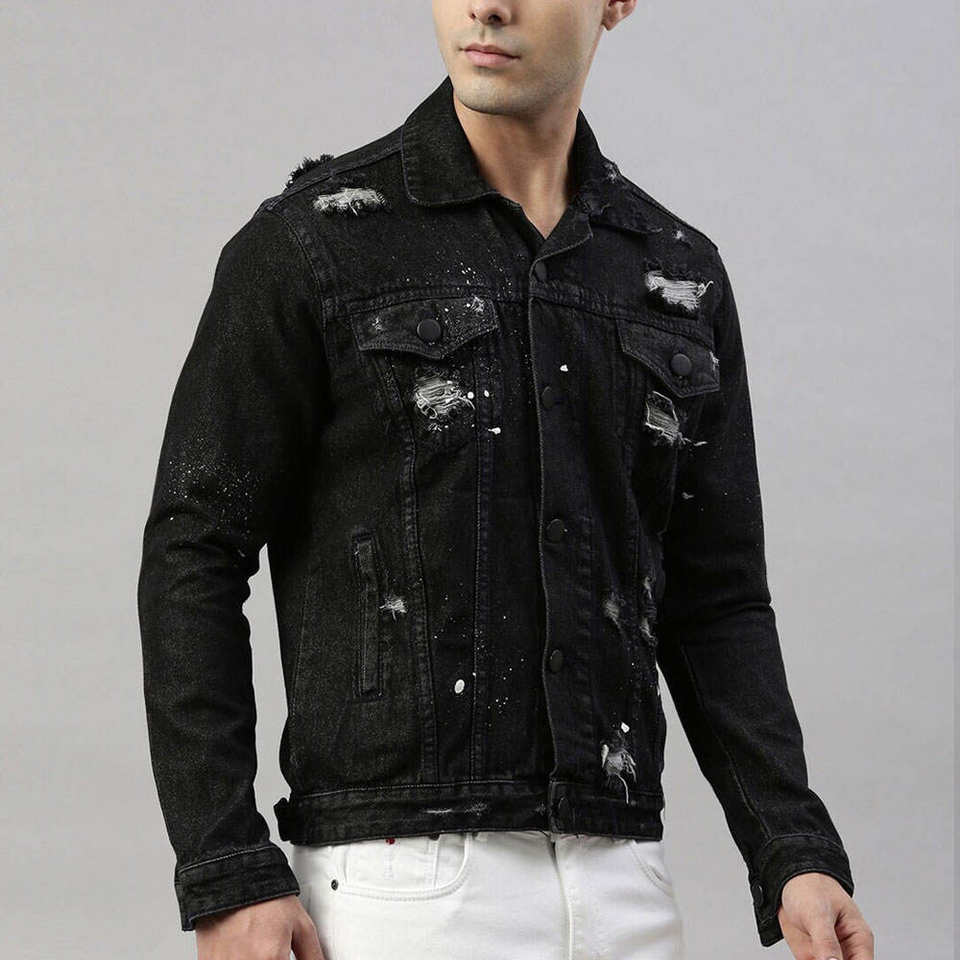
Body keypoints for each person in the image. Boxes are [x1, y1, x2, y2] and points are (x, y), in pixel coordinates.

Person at [136, 2, 875, 958]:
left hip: (626, 886)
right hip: (400, 889)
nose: (486, 5)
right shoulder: (314, 244)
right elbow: (194, 550)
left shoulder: (674, 275)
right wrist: (228, 866)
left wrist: (792, 849)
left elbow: (716, 597)